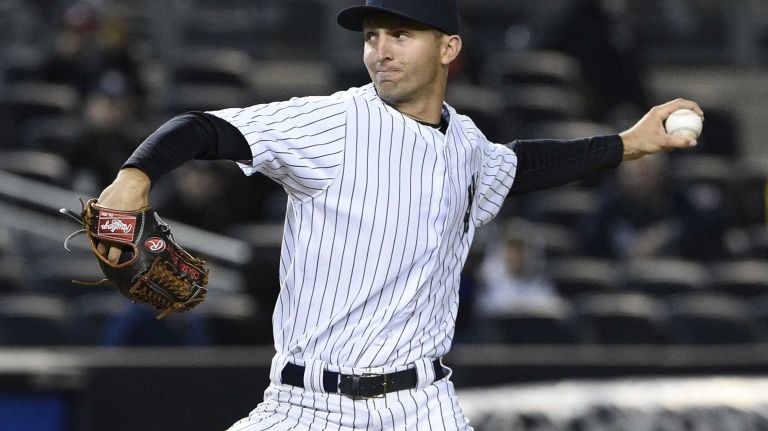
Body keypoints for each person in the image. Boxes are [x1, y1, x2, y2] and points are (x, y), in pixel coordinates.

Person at [91, 1, 703, 429]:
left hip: (421, 408)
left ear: (448, 47)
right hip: (307, 406)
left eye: (399, 35)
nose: (379, 51)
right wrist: (134, 176)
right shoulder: (331, 122)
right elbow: (204, 128)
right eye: (371, 37)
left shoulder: (466, 146)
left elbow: (524, 166)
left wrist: (629, 143)